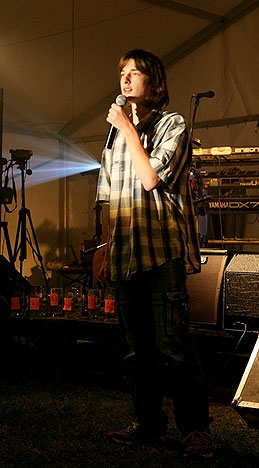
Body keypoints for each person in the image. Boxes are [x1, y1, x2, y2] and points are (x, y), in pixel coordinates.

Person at [96, 49, 212, 458]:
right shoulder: (115, 134)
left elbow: (150, 179)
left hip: (161, 254)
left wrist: (127, 127)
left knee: (174, 346)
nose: (126, 79)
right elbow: (109, 197)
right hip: (126, 254)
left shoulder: (172, 124)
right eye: (122, 72)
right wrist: (106, 248)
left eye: (136, 73)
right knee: (137, 349)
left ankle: (196, 430)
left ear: (154, 82)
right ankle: (148, 422)